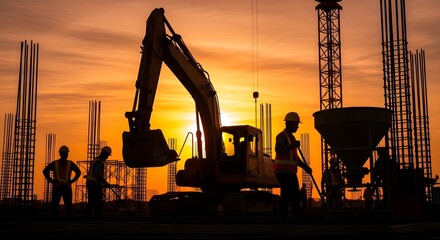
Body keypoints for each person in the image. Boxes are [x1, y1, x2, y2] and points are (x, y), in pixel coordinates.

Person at [274, 112, 312, 217]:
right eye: (296, 124)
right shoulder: (282, 136)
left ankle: (296, 215)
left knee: (295, 194)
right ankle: (284, 216)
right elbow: (279, 150)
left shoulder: (292, 138)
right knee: (287, 194)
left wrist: (305, 167)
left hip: (290, 172)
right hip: (282, 171)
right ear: (290, 124)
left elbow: (294, 159)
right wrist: (292, 146)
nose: (297, 127)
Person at [42, 145, 81, 215]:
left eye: (66, 153)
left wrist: (72, 180)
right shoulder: (56, 163)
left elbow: (78, 172)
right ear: (60, 154)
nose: (65, 155)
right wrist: (50, 180)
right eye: (64, 153)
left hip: (65, 187)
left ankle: (67, 221)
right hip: (59, 187)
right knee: (55, 205)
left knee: (68, 206)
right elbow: (45, 171)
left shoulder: (69, 163)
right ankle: (54, 221)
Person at [85, 146, 112, 216]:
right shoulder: (99, 162)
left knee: (91, 201)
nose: (107, 157)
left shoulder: (95, 160)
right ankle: (98, 216)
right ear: (104, 154)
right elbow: (98, 175)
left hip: (91, 184)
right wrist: (105, 183)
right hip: (94, 185)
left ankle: (89, 215)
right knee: (98, 201)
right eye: (107, 156)